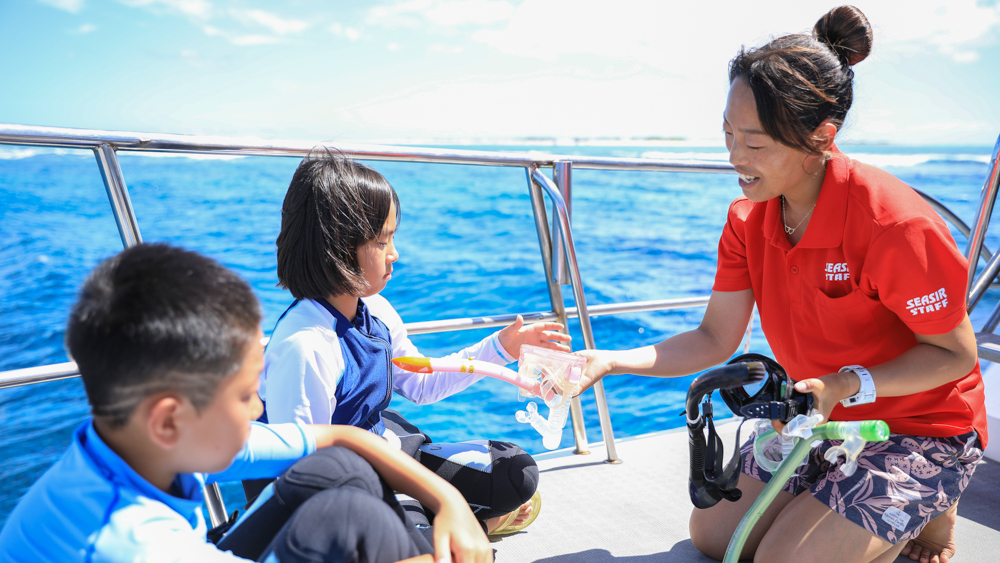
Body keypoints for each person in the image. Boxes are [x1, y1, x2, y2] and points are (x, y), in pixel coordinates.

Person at [576, 6, 987, 563]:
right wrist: (608, 360)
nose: (734, 158)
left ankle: (935, 506)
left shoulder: (895, 226)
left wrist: (845, 384)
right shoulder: (748, 219)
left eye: (756, 142)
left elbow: (956, 356)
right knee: (713, 538)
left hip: (918, 426)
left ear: (821, 136)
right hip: (818, 414)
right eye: (727, 134)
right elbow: (713, 338)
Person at [0, 242, 491, 563]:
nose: (259, 408)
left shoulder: (144, 444)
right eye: (243, 396)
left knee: (338, 469)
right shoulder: (133, 545)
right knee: (352, 520)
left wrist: (449, 502)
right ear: (168, 420)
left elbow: (344, 437)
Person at [259, 152, 569, 536]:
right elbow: (303, 477)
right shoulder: (306, 346)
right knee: (425, 549)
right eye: (382, 241)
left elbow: (421, 384)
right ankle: (455, 525)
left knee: (515, 472)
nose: (395, 254)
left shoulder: (375, 310)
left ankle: (442, 523)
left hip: (389, 454)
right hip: (343, 487)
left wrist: (502, 346)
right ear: (337, 247)